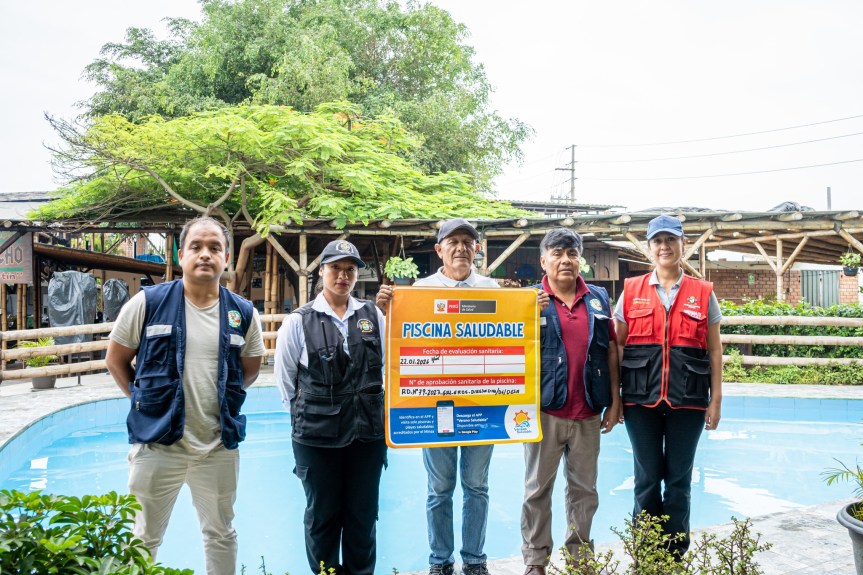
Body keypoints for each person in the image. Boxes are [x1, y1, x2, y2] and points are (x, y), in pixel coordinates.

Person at [377, 218, 548, 575]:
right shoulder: (418, 291)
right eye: (452, 242)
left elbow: (515, 335)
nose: (460, 248)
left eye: (467, 242)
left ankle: (474, 560)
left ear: (477, 249)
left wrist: (535, 308)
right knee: (439, 489)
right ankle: (440, 561)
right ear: (439, 249)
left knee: (477, 486)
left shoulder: (493, 290)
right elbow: (398, 342)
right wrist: (386, 308)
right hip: (433, 407)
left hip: (482, 409)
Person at [105, 215, 265, 575]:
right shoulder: (147, 304)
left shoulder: (242, 312)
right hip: (158, 445)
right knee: (144, 537)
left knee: (220, 533)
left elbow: (249, 369)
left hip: (217, 447)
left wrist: (225, 397)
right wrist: (144, 402)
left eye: (214, 247)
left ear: (226, 256)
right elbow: (116, 360)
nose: (205, 254)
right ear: (181, 254)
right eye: (196, 246)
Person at [613, 214, 723, 557]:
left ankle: (674, 555)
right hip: (639, 402)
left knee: (678, 481)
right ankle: (646, 554)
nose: (664, 247)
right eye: (658, 241)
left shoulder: (703, 293)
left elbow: (715, 348)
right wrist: (616, 400)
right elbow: (617, 345)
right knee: (646, 479)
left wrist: (716, 399)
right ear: (649, 248)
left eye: (670, 240)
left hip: (688, 402)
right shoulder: (630, 291)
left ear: (682, 245)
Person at [275, 239, 387, 575]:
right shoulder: (299, 322)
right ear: (321, 271)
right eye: (335, 267)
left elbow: (385, 368)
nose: (343, 275)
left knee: (363, 516)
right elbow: (286, 382)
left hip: (367, 436)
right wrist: (314, 417)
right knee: (323, 517)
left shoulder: (373, 315)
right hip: (316, 439)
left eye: (350, 269)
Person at [521, 228, 621, 575]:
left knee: (584, 491)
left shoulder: (597, 298)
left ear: (581, 259)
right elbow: (508, 351)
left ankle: (580, 559)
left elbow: (610, 349)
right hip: (544, 411)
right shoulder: (528, 300)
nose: (566, 260)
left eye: (572, 253)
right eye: (558, 253)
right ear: (543, 260)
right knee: (537, 490)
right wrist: (525, 317)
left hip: (588, 411)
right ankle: (536, 560)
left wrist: (615, 401)